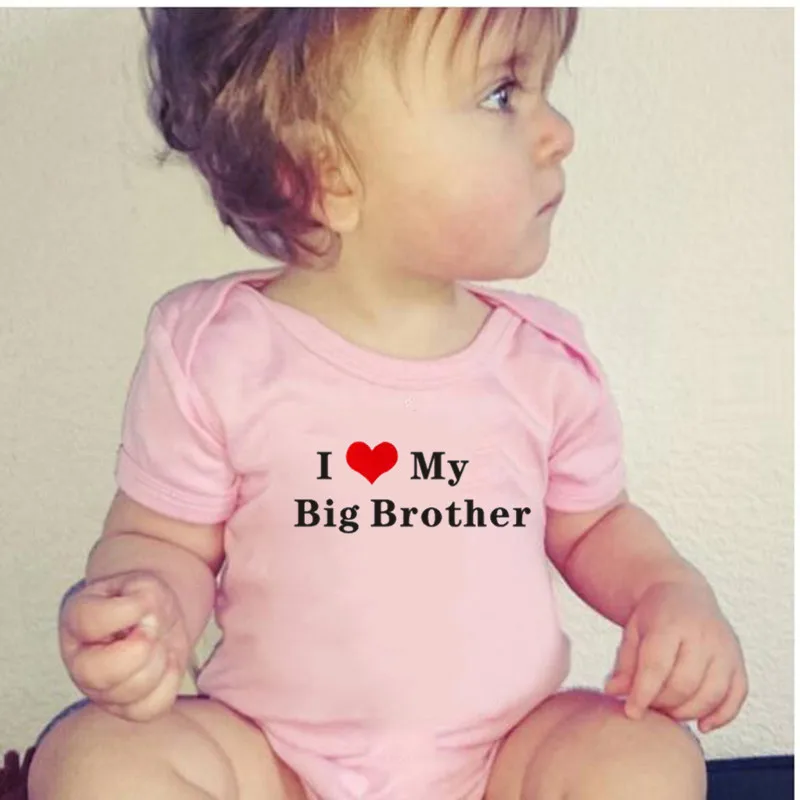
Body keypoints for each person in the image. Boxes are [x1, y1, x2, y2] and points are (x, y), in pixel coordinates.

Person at [29, 9, 747, 800]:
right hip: (274, 764)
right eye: (503, 95)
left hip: (504, 764)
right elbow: (163, 536)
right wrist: (147, 608)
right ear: (326, 173)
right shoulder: (214, 353)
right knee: (90, 760)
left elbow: (594, 526)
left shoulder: (544, 364)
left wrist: (666, 592)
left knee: (648, 758)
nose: (559, 132)